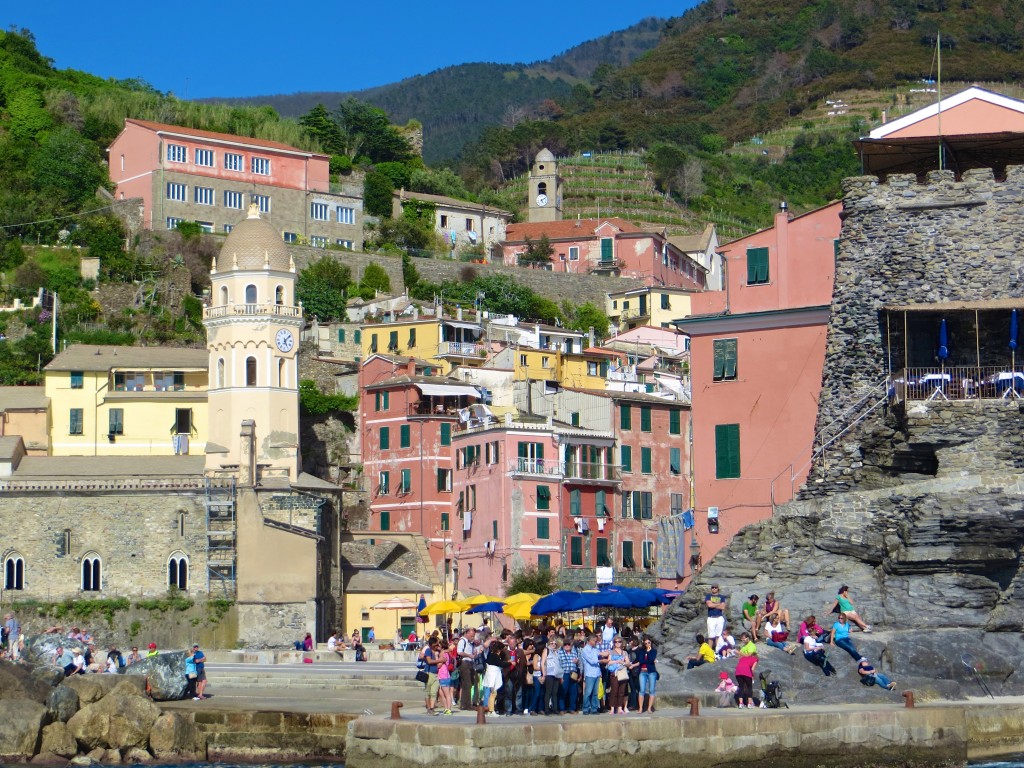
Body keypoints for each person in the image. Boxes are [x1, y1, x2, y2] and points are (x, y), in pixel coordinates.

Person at [605, 636, 629, 715]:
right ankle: (612, 708)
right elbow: (608, 662)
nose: (617, 643)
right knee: (614, 691)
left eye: (619, 642)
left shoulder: (624, 652)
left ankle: (620, 708)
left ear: (622, 643)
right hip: (614, 674)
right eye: (616, 642)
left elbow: (628, 663)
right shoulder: (611, 652)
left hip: (622, 673)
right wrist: (617, 661)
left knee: (621, 691)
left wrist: (623, 662)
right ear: (614, 643)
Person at [456, 627, 478, 710]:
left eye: (473, 636)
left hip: (470, 663)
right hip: (464, 663)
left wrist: (474, 654)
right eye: (472, 636)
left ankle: (464, 704)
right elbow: (459, 652)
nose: (472, 637)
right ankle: (467, 705)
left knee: (468, 684)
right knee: (467, 684)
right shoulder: (462, 641)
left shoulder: (470, 643)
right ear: (467, 633)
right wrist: (469, 655)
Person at [580, 635, 602, 715]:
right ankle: (585, 708)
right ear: (590, 641)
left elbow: (599, 654)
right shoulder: (585, 650)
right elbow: (592, 661)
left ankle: (594, 708)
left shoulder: (595, 649)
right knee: (588, 692)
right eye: (595, 641)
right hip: (589, 673)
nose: (596, 643)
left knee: (595, 693)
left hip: (596, 673)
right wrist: (602, 660)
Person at [557, 638, 580, 714]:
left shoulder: (574, 652)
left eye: (568, 644)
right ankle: (562, 708)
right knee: (563, 692)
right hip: (564, 674)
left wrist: (577, 662)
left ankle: (572, 708)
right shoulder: (560, 653)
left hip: (573, 674)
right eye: (565, 644)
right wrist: (560, 676)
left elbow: (579, 664)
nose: (567, 646)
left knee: (573, 692)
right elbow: (558, 665)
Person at [636, 635, 658, 713]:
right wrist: (649, 660)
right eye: (646, 643)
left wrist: (648, 653)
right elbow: (641, 661)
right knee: (642, 690)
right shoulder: (641, 651)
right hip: (642, 672)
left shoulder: (654, 651)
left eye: (649, 642)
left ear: (651, 643)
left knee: (651, 690)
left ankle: (649, 708)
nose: (647, 644)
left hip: (651, 672)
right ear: (644, 644)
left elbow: (652, 659)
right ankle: (641, 708)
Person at [542, 638, 564, 714]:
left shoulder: (557, 652)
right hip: (549, 673)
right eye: (552, 643)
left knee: (555, 692)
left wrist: (561, 676)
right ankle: (546, 709)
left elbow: (559, 664)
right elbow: (543, 662)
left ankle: (555, 708)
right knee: (548, 692)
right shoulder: (546, 650)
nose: (553, 644)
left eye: (555, 643)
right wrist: (543, 673)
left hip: (557, 674)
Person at [421, 637, 441, 715]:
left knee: (434, 692)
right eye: (436, 644)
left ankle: (432, 708)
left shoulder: (436, 651)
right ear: (432, 644)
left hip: (436, 673)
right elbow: (429, 661)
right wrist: (440, 660)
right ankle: (429, 708)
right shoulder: (428, 650)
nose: (437, 645)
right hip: (429, 673)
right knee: (428, 692)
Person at [437, 639, 454, 715]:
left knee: (447, 694)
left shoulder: (444, 654)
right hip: (442, 675)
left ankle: (448, 709)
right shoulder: (443, 652)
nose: (438, 647)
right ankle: (446, 708)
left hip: (444, 675)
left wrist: (436, 661)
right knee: (441, 693)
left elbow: (439, 665)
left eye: (439, 645)